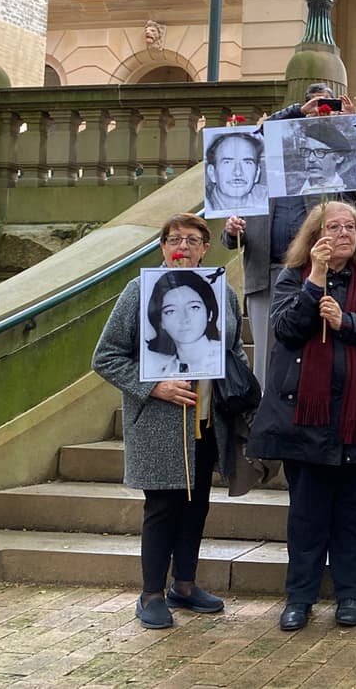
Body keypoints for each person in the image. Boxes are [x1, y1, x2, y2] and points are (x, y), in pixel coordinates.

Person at [246, 201, 356, 631]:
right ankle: (300, 597)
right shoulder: (292, 278)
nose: (343, 233)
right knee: (307, 515)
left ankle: (351, 594)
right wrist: (315, 281)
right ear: (315, 236)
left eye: (350, 227)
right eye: (333, 227)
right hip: (306, 422)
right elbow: (285, 329)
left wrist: (346, 321)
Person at [92, 213, 247, 630]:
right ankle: (151, 594)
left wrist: (239, 388)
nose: (183, 247)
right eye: (175, 239)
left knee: (197, 504)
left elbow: (234, 349)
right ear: (162, 247)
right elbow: (106, 356)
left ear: (205, 248)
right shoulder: (138, 291)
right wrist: (154, 386)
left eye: (193, 240)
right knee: (162, 507)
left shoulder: (223, 293)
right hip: (159, 423)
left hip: (207, 421)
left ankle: (185, 584)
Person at [221, 83, 356, 390]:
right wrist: (296, 112)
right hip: (265, 275)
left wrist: (349, 125)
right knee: (266, 359)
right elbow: (252, 137)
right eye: (314, 106)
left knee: (313, 352)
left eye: (326, 106)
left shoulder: (326, 168)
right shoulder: (260, 170)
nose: (319, 111)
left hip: (314, 274)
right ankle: (265, 413)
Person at [143, 269, 223, 379]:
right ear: (161, 322)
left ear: (210, 314)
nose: (184, 318)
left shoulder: (224, 357)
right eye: (171, 311)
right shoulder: (161, 371)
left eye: (194, 307)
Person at [288, 118, 356, 195]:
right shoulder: (292, 193)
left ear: (339, 157)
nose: (311, 159)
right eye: (307, 151)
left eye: (320, 152)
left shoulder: (352, 190)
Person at [205, 132, 267, 214]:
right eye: (227, 162)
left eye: (247, 163)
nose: (238, 172)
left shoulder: (268, 198)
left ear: (257, 173)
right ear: (212, 173)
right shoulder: (203, 204)